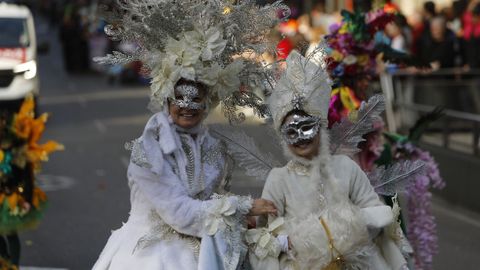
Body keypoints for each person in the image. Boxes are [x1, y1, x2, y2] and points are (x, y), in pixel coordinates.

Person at [91, 1, 289, 269]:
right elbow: (178, 212)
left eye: (196, 97)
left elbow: (208, 201)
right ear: (166, 97)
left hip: (204, 248)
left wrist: (242, 220)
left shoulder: (212, 145)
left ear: (208, 100)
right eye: (180, 98)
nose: (187, 106)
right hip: (150, 255)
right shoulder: (148, 149)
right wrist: (242, 207)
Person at [246, 51, 410, 270]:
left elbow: (375, 210)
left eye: (307, 127)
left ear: (320, 127)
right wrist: (291, 240)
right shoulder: (279, 179)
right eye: (291, 131)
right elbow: (265, 235)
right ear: (283, 136)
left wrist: (349, 226)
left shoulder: (346, 166)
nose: (301, 138)